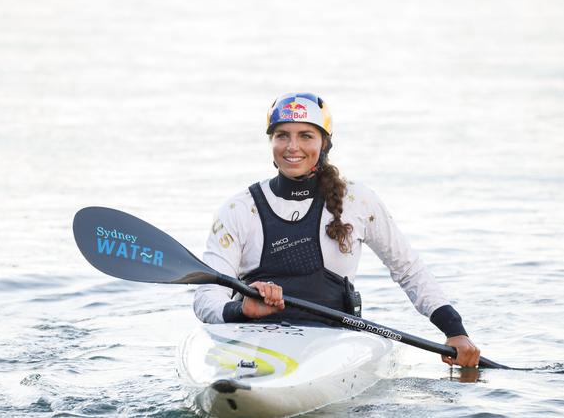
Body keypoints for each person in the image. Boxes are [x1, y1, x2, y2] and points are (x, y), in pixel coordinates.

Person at [193, 93, 480, 368]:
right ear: (271, 142)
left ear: (325, 143)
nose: (292, 146)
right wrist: (239, 309)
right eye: (282, 135)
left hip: (332, 345)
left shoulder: (356, 201)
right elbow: (207, 298)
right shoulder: (239, 210)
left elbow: (408, 270)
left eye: (306, 135)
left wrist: (455, 330)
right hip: (250, 344)